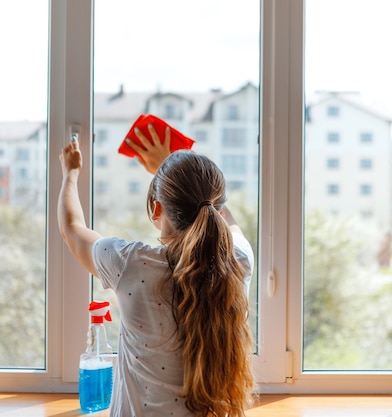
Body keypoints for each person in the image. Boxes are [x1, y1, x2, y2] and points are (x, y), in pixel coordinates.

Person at [58, 124, 256, 417]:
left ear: (155, 209)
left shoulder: (130, 263)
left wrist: (70, 174)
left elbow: (72, 229)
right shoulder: (238, 261)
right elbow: (218, 213)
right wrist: (175, 165)